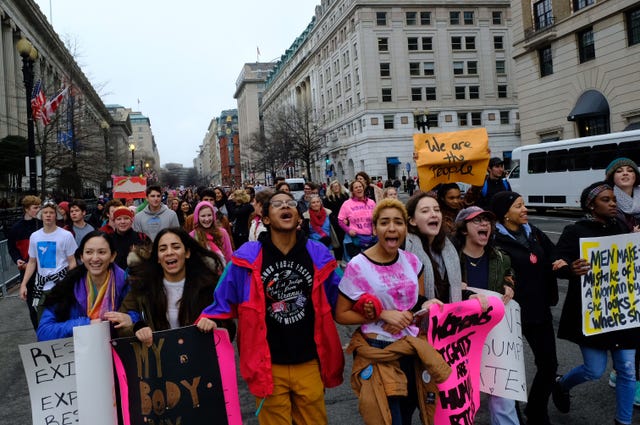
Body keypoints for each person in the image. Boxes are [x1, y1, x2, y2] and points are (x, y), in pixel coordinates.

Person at [198, 190, 344, 425]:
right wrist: (210, 317)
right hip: (268, 364)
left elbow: (342, 297)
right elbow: (223, 298)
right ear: (265, 218)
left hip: (309, 360)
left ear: (298, 217)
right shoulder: (245, 259)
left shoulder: (319, 256)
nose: (285, 206)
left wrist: (369, 306)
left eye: (290, 203)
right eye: (277, 204)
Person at [335, 199, 451, 425]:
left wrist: (426, 306)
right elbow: (341, 314)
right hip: (378, 349)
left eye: (398, 222)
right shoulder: (358, 265)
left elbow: (416, 302)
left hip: (411, 348)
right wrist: (382, 314)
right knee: (389, 418)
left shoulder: (412, 261)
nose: (392, 228)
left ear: (406, 228)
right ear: (375, 227)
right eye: (384, 222)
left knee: (411, 413)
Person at [552, 182, 635, 425]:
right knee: (594, 370)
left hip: (621, 309)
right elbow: (557, 262)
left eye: (614, 200)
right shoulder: (574, 230)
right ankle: (561, 385)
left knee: (627, 370)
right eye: (606, 200)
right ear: (591, 204)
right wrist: (569, 268)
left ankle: (623, 421)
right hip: (593, 312)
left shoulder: (621, 225)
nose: (613, 204)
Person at [489, 191, 559, 425]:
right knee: (511, 368)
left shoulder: (535, 233)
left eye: (524, 205)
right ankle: (513, 414)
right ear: (505, 214)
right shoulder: (494, 239)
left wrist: (565, 264)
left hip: (539, 309)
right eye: (519, 206)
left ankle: (537, 409)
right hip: (510, 313)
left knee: (549, 365)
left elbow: (553, 256)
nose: (525, 209)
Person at [453, 206, 518, 425]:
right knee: (462, 401)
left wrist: (509, 284)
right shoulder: (450, 259)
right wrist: (455, 288)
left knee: (504, 400)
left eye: (487, 221)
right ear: (463, 230)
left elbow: (509, 272)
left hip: (495, 339)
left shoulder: (499, 257)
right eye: (477, 221)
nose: (484, 225)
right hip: (461, 339)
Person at [119, 228, 229, 346]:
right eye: (163, 249)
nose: (169, 252)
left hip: (198, 358)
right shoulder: (142, 287)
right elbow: (122, 327)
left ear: (187, 253)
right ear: (157, 257)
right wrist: (137, 328)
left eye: (176, 247)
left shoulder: (208, 286)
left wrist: (215, 324)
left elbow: (229, 326)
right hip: (159, 359)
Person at [36, 231, 131, 341]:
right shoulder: (68, 286)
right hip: (79, 352)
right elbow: (44, 332)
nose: (95, 258)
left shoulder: (127, 284)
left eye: (102, 252)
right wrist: (85, 324)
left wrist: (130, 319)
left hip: (117, 351)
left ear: (112, 256)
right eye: (89, 252)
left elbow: (140, 315)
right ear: (82, 256)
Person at [404, 193, 488, 308]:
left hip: (446, 320)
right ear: (412, 220)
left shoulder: (448, 248)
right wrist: (422, 304)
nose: (434, 214)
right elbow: (398, 296)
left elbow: (448, 292)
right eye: (425, 211)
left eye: (437, 210)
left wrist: (469, 296)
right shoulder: (404, 250)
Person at [19, 201, 78, 320]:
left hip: (60, 284)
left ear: (56, 215)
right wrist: (24, 284)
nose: (48, 215)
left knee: (62, 318)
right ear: (41, 215)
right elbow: (32, 262)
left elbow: (72, 262)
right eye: (45, 212)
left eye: (51, 212)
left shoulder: (66, 236)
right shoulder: (35, 236)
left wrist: (69, 282)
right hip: (41, 286)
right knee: (42, 320)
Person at [8, 195, 42, 330]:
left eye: (39, 207)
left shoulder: (41, 225)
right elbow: (12, 248)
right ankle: (39, 333)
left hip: (44, 271)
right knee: (32, 306)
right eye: (35, 208)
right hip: (27, 273)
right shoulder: (16, 228)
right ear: (27, 209)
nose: (38, 210)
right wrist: (18, 260)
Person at [338, 179, 377, 261]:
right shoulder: (347, 204)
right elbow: (340, 220)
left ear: (364, 188)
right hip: (355, 239)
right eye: (356, 188)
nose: (359, 189)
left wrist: (375, 230)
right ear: (352, 191)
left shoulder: (372, 202)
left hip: (371, 239)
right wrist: (348, 230)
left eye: (360, 187)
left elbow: (377, 218)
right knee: (359, 265)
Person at [604, 157, 640, 232]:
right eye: (619, 171)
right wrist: (632, 235)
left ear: (635, 176)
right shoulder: (605, 202)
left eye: (630, 170)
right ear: (612, 177)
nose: (625, 173)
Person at [110, 206, 148, 270]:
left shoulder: (142, 237)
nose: (122, 222)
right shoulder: (108, 239)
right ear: (114, 221)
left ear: (131, 221)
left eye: (126, 218)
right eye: (119, 219)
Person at [323, 179, 350, 262]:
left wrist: (347, 219)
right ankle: (339, 259)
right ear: (331, 188)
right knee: (338, 242)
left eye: (337, 186)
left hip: (346, 221)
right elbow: (328, 212)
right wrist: (337, 221)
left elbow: (349, 209)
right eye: (334, 187)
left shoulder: (345, 196)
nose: (336, 188)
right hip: (335, 223)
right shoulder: (328, 199)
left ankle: (347, 258)